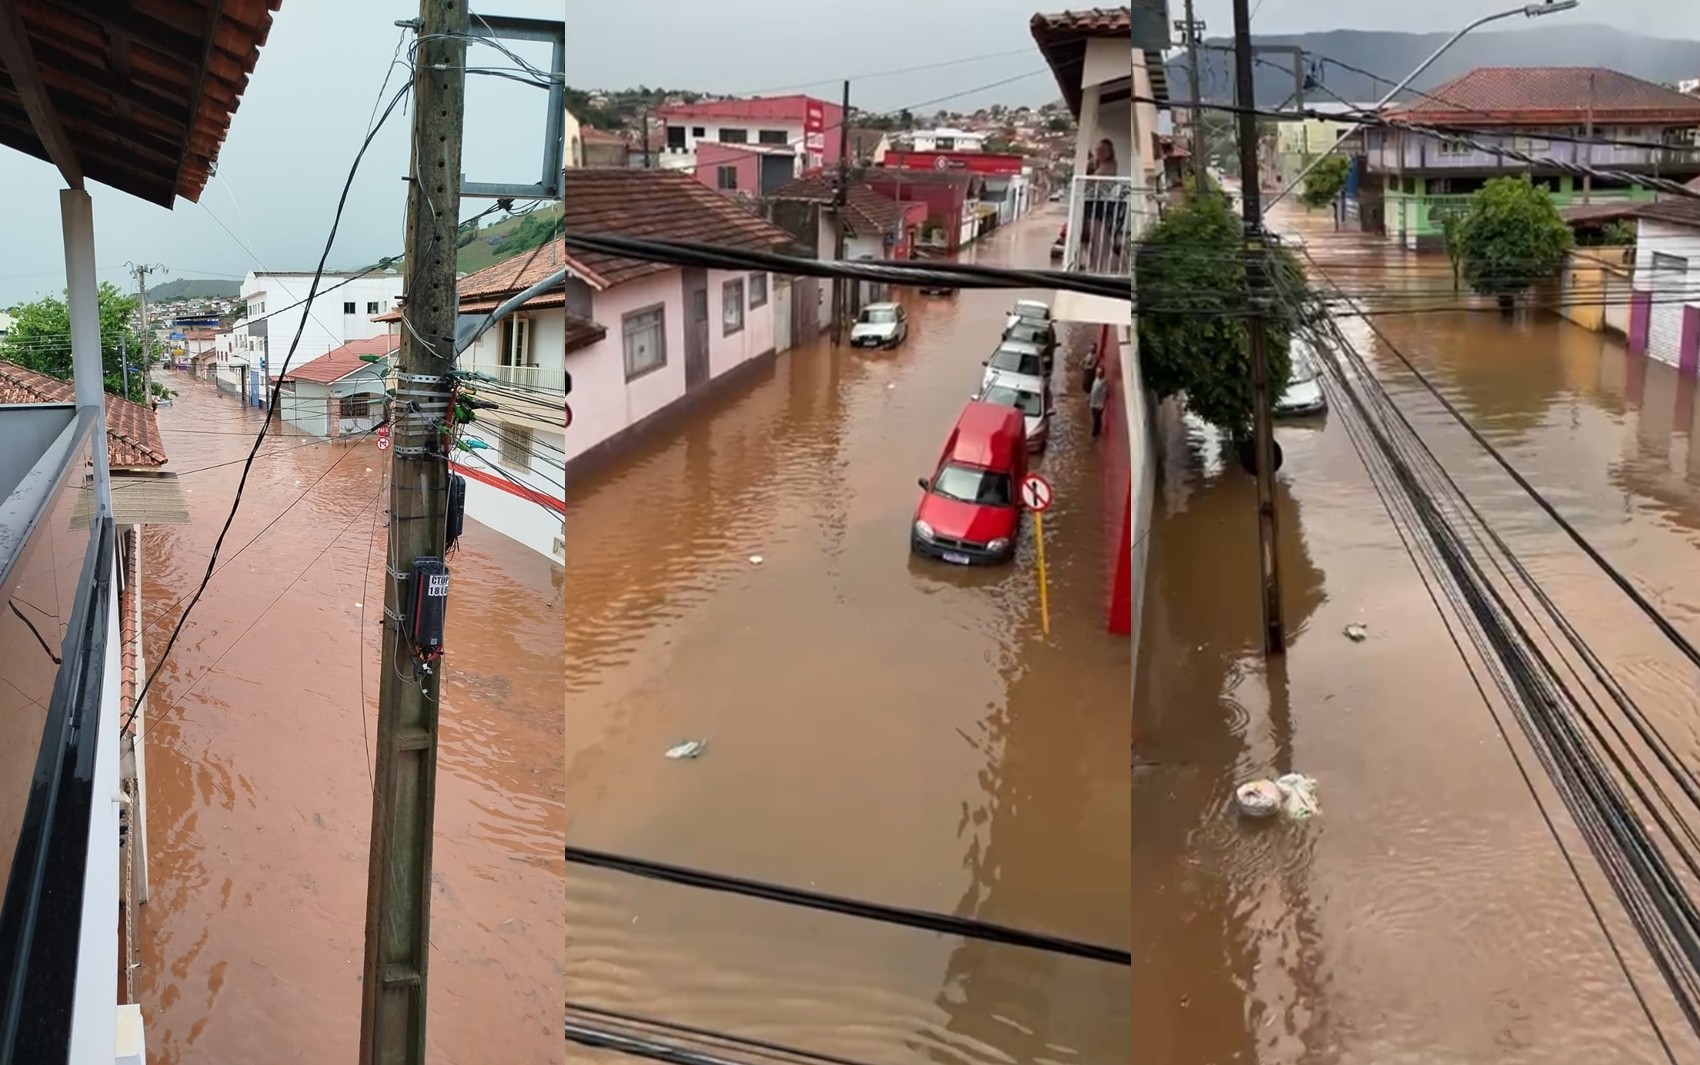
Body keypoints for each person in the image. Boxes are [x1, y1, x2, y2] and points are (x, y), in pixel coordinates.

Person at [1088, 366, 1108, 438]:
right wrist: (1089, 397)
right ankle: (1098, 430)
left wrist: (1102, 404)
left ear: (1102, 374)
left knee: (1096, 419)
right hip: (1093, 402)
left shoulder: (1104, 382)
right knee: (1095, 418)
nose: (1098, 374)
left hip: (1099, 404)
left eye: (1099, 373)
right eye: (1097, 372)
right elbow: (1093, 389)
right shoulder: (1096, 379)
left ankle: (1094, 434)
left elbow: (1104, 394)